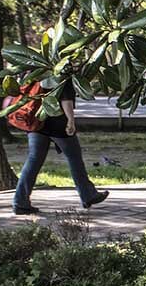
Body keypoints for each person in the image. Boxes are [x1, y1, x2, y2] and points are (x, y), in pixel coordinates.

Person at [13, 81, 109, 215]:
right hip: (58, 124)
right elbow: (66, 100)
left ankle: (20, 202)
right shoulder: (61, 75)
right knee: (74, 158)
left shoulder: (35, 70)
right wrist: (70, 120)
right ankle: (87, 195)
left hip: (36, 122)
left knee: (34, 160)